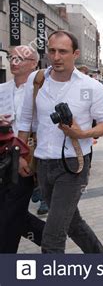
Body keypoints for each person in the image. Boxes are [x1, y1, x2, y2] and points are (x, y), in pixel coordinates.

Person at [17, 30, 103, 253]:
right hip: (42, 163)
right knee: (71, 222)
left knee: (53, 237)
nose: (56, 56)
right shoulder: (37, 79)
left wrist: (82, 133)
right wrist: (21, 154)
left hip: (74, 165)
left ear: (75, 54)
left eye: (63, 51)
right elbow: (25, 120)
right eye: (52, 51)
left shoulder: (91, 87)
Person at [0, 45, 45, 253]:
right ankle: (50, 238)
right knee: (11, 213)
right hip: (2, 157)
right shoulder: (1, 90)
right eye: (12, 57)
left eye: (20, 58)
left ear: (34, 64)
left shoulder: (41, 92)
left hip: (26, 158)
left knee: (10, 216)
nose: (14, 62)